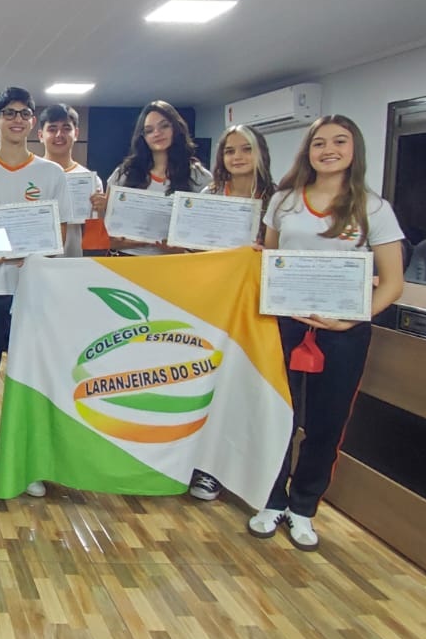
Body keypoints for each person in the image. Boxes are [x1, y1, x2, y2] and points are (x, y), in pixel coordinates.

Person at [248, 115, 404, 551]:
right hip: (283, 326)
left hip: (342, 333)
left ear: (355, 150)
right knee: (279, 416)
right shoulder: (283, 201)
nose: (329, 150)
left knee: (326, 422)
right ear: (308, 151)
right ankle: (271, 499)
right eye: (319, 143)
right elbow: (270, 261)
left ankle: (303, 507)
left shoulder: (373, 208)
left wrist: (352, 318)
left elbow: (393, 283)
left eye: (340, 141)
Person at [0, 87, 66, 495]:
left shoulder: (51, 174)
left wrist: (29, 250)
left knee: (30, 382)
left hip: (32, 293)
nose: (17, 120)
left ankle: (26, 460)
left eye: (24, 113)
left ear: (33, 121)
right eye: (9, 113)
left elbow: (56, 232)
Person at [189, 123, 276, 503]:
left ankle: (242, 468)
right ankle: (203, 466)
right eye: (229, 150)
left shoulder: (278, 200)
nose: (237, 157)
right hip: (212, 304)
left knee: (243, 387)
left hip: (257, 310)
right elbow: (191, 249)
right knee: (207, 383)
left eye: (246, 149)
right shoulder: (209, 196)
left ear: (261, 153)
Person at [92, 100, 212, 254]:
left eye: (164, 126)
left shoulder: (199, 177)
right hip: (125, 261)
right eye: (149, 130)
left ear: (176, 128)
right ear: (142, 137)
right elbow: (103, 238)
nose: (157, 133)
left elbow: (206, 240)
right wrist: (101, 209)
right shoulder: (125, 173)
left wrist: (179, 249)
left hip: (175, 264)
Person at [36, 103, 104, 258]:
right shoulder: (30, 175)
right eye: (52, 129)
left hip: (73, 260)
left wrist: (100, 211)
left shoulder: (91, 180)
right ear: (40, 135)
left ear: (76, 133)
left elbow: (95, 237)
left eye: (66, 128)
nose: (59, 134)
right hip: (35, 260)